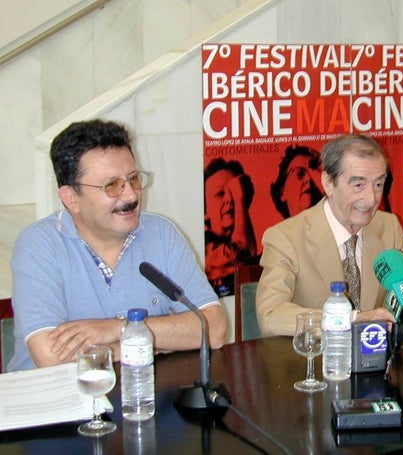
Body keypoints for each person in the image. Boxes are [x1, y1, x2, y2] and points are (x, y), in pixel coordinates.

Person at [8, 119, 226, 371]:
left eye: (133, 179)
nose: (131, 195)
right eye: (112, 185)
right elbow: (50, 357)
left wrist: (116, 329)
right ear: (71, 199)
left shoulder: (161, 234)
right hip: (57, 403)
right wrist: (153, 343)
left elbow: (213, 329)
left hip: (144, 393)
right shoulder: (38, 245)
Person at [256, 134, 403, 336]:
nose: (371, 199)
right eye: (358, 185)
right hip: (318, 360)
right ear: (328, 182)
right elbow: (271, 316)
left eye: (378, 184)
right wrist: (351, 319)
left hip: (379, 359)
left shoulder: (388, 227)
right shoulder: (286, 238)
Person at [204, 157, 257, 297]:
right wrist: (239, 201)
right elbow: (242, 252)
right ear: (205, 211)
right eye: (220, 194)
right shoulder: (205, 248)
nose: (230, 199)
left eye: (233, 192)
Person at [270, 144, 323, 219]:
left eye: (314, 174)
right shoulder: (273, 231)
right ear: (282, 191)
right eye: (300, 173)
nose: (309, 179)